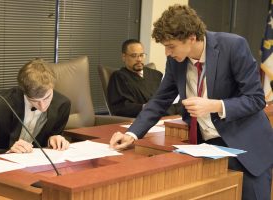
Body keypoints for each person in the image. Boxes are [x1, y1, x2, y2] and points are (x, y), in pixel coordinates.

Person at [109, 4, 273, 200]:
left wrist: (215, 105)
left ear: (191, 38)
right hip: (207, 150)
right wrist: (133, 134)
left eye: (171, 47)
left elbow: (255, 99)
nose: (167, 53)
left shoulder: (233, 46)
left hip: (245, 149)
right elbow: (160, 100)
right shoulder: (176, 61)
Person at [0, 58, 71, 157]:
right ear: (23, 91)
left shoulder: (62, 105)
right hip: (1, 166)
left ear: (52, 87)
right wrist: (9, 152)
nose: (42, 106)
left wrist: (52, 141)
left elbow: (49, 141)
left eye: (47, 98)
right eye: (34, 101)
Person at [107, 39, 181, 117]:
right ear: (124, 57)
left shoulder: (156, 74)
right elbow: (119, 107)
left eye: (141, 55)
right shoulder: (119, 77)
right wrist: (144, 107)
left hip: (169, 116)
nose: (139, 59)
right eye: (134, 56)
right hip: (142, 119)